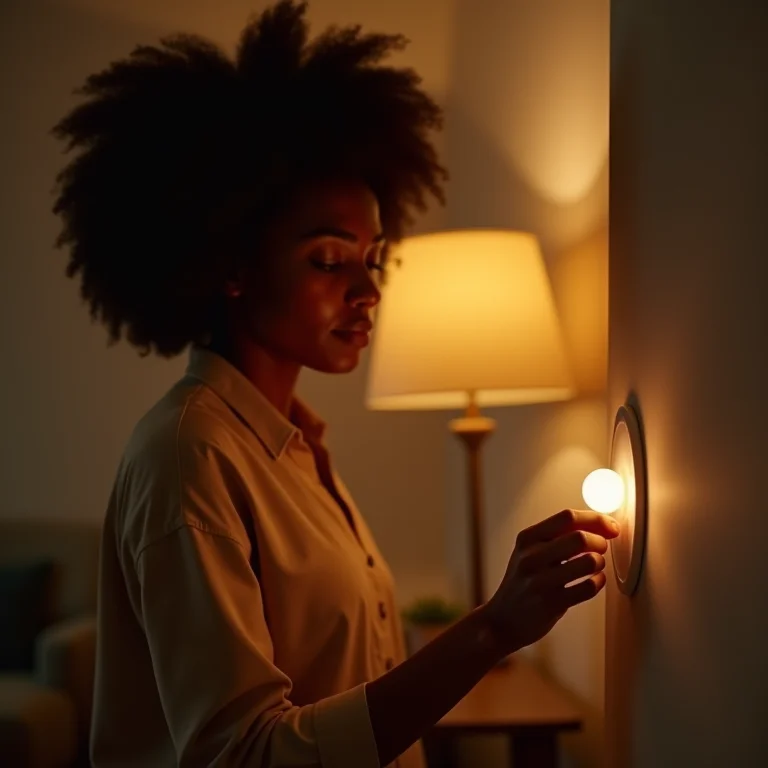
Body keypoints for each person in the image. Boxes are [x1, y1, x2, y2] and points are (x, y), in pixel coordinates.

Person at [51, 2, 620, 766]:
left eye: (373, 258)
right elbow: (243, 753)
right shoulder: (191, 457)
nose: (368, 290)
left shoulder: (294, 446)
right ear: (229, 265)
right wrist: (492, 628)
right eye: (328, 260)